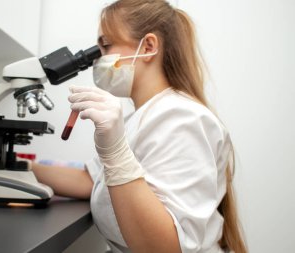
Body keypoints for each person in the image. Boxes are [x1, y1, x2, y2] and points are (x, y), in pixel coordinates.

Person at [32, 0, 247, 252]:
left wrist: (114, 152)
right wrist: (22, 169)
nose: (96, 59)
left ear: (148, 46)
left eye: (106, 45)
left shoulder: (183, 119)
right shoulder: (140, 117)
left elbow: (164, 248)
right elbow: (92, 181)